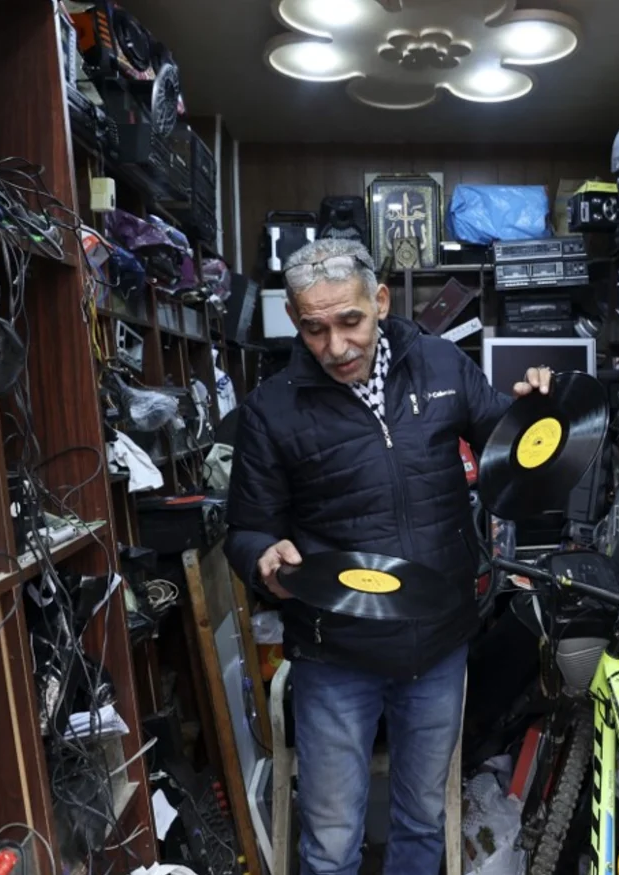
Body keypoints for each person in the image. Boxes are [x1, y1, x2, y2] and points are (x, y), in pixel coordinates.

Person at [224, 237, 551, 875]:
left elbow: (508, 445)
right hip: (333, 651)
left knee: (422, 820)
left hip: (437, 644)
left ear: (379, 300)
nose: (337, 347)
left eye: (350, 321)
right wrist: (263, 556)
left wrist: (538, 408)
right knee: (332, 837)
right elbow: (245, 530)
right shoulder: (270, 411)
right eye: (315, 329)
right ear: (295, 321)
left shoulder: (442, 365)